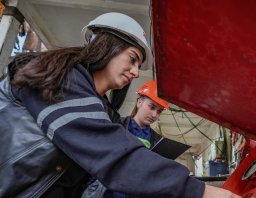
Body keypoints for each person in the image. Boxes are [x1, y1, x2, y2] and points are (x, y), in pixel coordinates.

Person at [0, 12, 239, 198]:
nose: (136, 72)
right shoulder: (60, 78)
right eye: (133, 59)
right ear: (106, 45)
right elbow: (116, 158)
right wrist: (198, 191)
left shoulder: (102, 111)